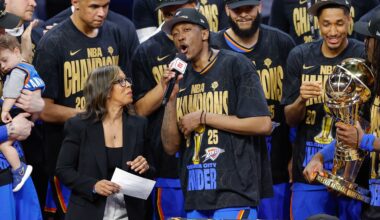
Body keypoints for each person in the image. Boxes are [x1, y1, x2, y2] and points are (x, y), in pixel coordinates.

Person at [161, 8, 273, 219]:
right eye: (175, 34)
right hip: (195, 192)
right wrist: (171, 99)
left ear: (204, 34)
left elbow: (262, 124)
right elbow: (170, 146)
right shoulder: (180, 78)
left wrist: (204, 117)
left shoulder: (235, 64)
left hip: (235, 191)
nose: (180, 37)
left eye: (186, 29)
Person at [33, 0, 132, 218]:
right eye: (94, 6)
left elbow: (128, 92)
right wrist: (94, 114)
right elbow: (44, 110)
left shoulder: (116, 33)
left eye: (106, 6)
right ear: (75, 2)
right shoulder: (53, 42)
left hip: (113, 156)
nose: (102, 13)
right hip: (71, 161)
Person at [281, 0, 367, 219]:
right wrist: (301, 99)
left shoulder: (363, 54)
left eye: (339, 23)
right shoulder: (299, 56)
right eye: (326, 24)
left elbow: (369, 118)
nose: (333, 31)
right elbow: (290, 119)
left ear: (349, 20)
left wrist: (347, 172)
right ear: (317, 24)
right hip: (309, 171)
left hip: (354, 173)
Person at [211, 0, 295, 218]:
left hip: (276, 160)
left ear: (259, 6)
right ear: (227, 10)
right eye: (237, 9)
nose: (243, 15)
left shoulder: (282, 42)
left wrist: (295, 154)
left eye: (248, 8)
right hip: (227, 167)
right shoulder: (212, 45)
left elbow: (293, 107)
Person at [131, 0, 207, 218]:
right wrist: (164, 87)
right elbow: (139, 110)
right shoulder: (146, 51)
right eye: (168, 14)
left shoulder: (218, 46)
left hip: (214, 163)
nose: (175, 18)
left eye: (181, 10)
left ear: (196, 4)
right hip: (167, 165)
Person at [303, 11, 380, 220]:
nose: (365, 43)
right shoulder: (372, 82)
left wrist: (365, 140)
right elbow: (354, 136)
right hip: (373, 200)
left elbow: (362, 139)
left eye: (370, 39)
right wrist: (319, 157)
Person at [56, 65, 154, 220]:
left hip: (130, 213)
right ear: (106, 90)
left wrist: (146, 166)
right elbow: (63, 169)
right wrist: (93, 186)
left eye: (127, 80)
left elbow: (153, 168)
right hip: (88, 212)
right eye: (121, 81)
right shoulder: (79, 126)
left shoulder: (139, 124)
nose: (128, 85)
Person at [0, 8, 44, 220]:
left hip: (17, 167)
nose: (3, 33)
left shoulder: (9, 67)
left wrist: (38, 105)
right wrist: (7, 130)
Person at [269, 0, 379, 45]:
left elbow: (374, 28)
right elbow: (276, 40)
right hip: (304, 73)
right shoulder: (283, 1)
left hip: (352, 69)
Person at [132, 0, 228, 42]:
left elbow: (226, 37)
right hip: (166, 55)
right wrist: (171, 22)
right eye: (168, 13)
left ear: (195, 5)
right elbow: (145, 43)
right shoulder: (144, 2)